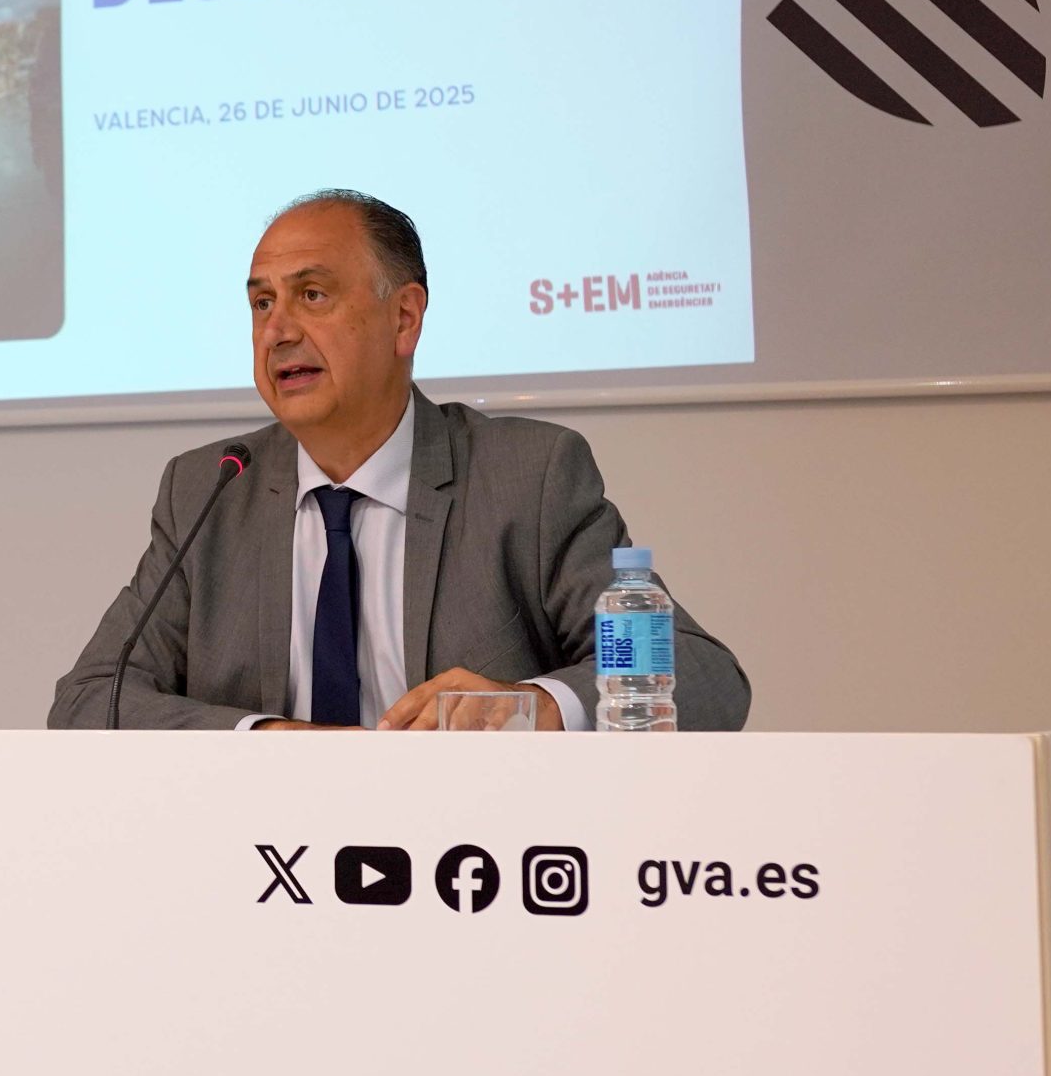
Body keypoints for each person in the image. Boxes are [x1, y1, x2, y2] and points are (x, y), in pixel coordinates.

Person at [48, 190, 749, 731]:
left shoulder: (527, 476)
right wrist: (265, 739)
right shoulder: (211, 489)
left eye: (312, 294)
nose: (278, 330)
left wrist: (530, 706)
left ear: (405, 318)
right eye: (262, 303)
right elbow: (89, 700)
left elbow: (703, 677)